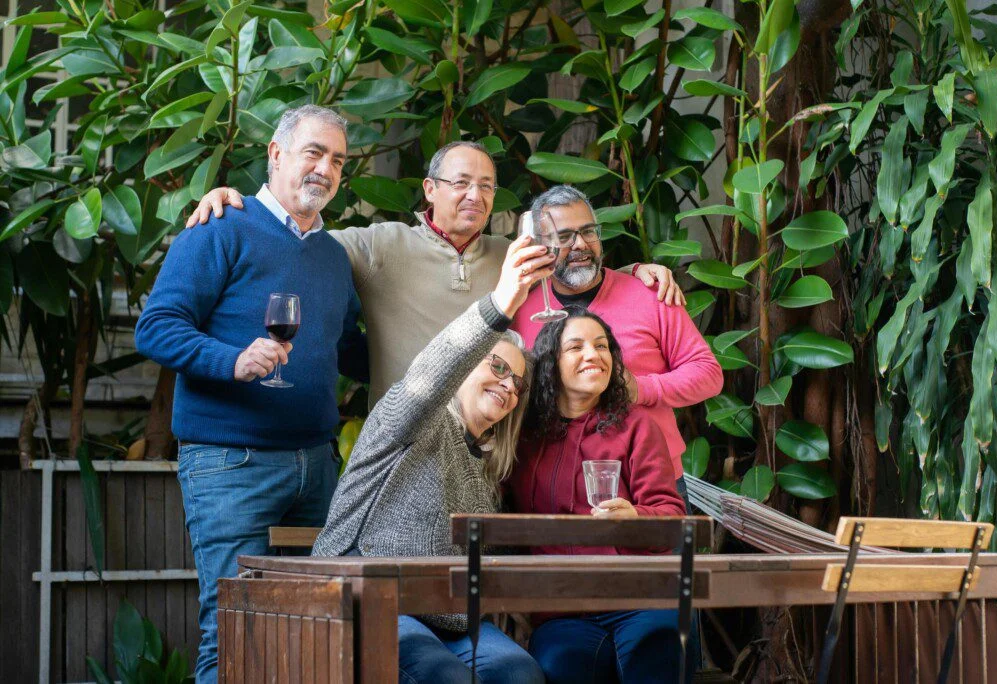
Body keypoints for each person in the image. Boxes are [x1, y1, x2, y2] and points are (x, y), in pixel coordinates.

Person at [134, 105, 368, 684]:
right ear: (276, 154)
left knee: (313, 631)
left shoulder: (333, 255)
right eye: (313, 152)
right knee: (233, 630)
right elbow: (156, 326)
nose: (325, 169)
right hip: (229, 463)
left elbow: (348, 351)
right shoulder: (221, 226)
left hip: (316, 466)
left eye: (337, 160)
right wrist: (232, 361)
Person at [186, 142, 685, 406]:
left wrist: (642, 270)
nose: (476, 196)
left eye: (487, 186)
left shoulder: (513, 254)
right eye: (461, 183)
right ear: (429, 189)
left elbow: (582, 270)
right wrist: (237, 203)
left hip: (495, 437)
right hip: (405, 439)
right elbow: (295, 242)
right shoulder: (379, 244)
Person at [311, 235, 553, 684]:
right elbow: (434, 370)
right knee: (443, 677)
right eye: (497, 367)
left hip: (452, 624)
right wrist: (500, 303)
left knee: (522, 675)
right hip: (370, 600)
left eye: (517, 382)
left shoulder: (486, 468)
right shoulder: (409, 417)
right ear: (465, 368)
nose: (508, 385)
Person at [506, 308, 689, 684]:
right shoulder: (524, 434)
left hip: (638, 598)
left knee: (657, 650)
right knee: (561, 666)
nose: (594, 354)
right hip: (561, 609)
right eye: (576, 347)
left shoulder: (637, 425)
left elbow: (671, 515)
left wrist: (634, 517)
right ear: (550, 364)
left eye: (602, 346)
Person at [510, 185, 724, 490]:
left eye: (588, 232)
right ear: (540, 245)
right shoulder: (525, 311)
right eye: (565, 237)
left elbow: (709, 374)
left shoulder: (650, 294)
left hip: (651, 480)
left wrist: (643, 389)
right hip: (556, 485)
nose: (581, 244)